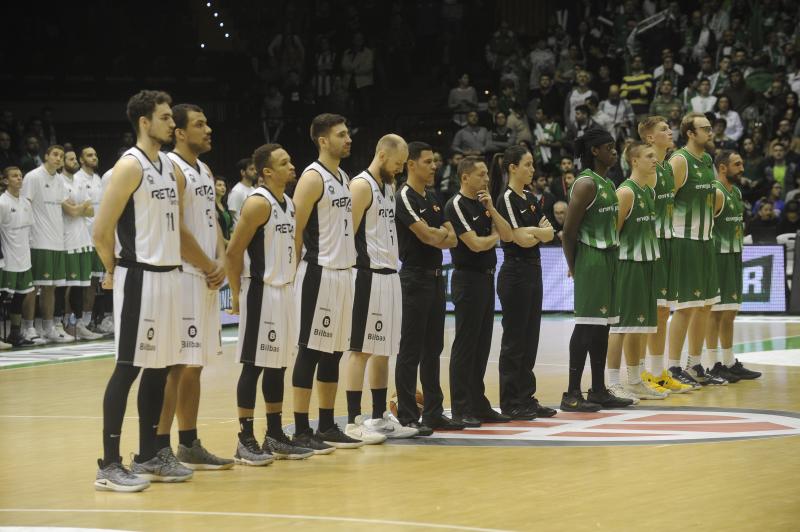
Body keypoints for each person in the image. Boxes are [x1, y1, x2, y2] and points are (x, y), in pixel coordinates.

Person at [93, 90, 192, 492]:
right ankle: (109, 464)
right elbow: (101, 230)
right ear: (144, 122)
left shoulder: (169, 166)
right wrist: (113, 269)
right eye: (166, 117)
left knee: (161, 367)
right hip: (140, 276)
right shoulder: (129, 166)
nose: (173, 123)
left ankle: (150, 454)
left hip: (169, 276)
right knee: (128, 368)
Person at [227, 143, 317, 464]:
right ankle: (245, 438)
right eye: (284, 163)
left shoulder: (289, 204)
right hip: (260, 292)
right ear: (267, 172)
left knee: (278, 364)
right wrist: (236, 296)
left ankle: (275, 434)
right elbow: (233, 252)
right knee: (253, 365)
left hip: (284, 292)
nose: (292, 167)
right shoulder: (256, 204)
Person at [156, 103, 232, 471]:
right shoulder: (173, 168)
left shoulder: (204, 168)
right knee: (178, 365)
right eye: (200, 124)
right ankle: (158, 447)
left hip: (205, 276)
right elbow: (177, 227)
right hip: (184, 274)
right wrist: (206, 264)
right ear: (181, 133)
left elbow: (212, 222)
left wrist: (223, 261)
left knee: (196, 364)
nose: (209, 129)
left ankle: (188, 442)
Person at [290, 113, 363, 450]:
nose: (348, 139)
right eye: (341, 134)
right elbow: (296, 228)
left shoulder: (343, 176)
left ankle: (328, 424)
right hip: (319, 272)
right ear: (323, 140)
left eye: (348, 134)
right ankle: (302, 429)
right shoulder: (311, 177)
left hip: (344, 273)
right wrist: (291, 270)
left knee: (334, 352)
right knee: (310, 351)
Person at [344, 134, 418, 443]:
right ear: (382, 154)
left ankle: (378, 418)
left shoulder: (389, 187)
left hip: (390, 275)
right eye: (398, 164)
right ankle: (351, 422)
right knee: (361, 349)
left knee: (385, 350)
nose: (400, 170)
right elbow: (347, 234)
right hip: (367, 275)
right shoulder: (361, 186)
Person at [560, 127, 634, 411]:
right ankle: (571, 393)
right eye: (609, 147)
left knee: (603, 326)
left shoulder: (607, 183)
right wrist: (575, 266)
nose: (614, 151)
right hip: (590, 258)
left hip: (609, 258)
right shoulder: (585, 184)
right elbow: (568, 232)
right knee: (586, 326)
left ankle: (599, 389)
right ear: (594, 151)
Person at [394, 142, 463, 433]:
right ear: (411, 164)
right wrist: (439, 234)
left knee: (433, 348)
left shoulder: (433, 197)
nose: (434, 166)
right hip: (414, 277)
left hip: (435, 279)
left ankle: (433, 411)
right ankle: (408, 415)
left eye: (434, 161)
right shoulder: (405, 197)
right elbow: (426, 236)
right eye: (427, 161)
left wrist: (439, 235)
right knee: (411, 349)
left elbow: (453, 239)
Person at [445, 156, 514, 426]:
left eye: (486, 174)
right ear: (465, 177)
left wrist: (492, 211)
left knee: (482, 345)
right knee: (465, 345)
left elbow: (506, 235)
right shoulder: (457, 205)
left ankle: (478, 402)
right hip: (467, 279)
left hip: (486, 279)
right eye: (481, 174)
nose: (486, 179)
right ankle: (461, 406)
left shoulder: (484, 204)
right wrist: (494, 237)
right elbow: (475, 244)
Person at [495, 145, 557, 419]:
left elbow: (550, 233)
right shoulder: (507, 198)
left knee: (530, 338)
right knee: (515, 340)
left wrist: (532, 231)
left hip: (534, 270)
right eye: (528, 164)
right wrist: (535, 232)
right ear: (512, 168)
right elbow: (518, 239)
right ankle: (511, 402)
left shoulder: (531, 197)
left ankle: (526, 397)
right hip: (516, 272)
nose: (533, 169)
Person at [666, 112, 727, 386]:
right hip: (684, 240)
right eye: (704, 128)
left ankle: (695, 365)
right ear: (690, 133)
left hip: (706, 240)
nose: (710, 132)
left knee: (704, 306)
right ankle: (673, 366)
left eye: (710, 128)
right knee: (685, 307)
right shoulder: (679, 160)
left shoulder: (707, 160)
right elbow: (666, 200)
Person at [605, 142, 666, 403]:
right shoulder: (625, 193)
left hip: (647, 263)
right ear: (634, 161)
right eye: (649, 156)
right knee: (620, 326)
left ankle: (634, 380)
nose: (655, 160)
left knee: (639, 325)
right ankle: (612, 383)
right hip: (627, 264)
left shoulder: (648, 192)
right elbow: (612, 233)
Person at [637, 116, 693, 394]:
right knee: (647, 312)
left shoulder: (669, 169)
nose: (670, 132)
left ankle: (658, 372)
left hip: (668, 242)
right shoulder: (645, 169)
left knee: (662, 311)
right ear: (649, 138)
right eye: (663, 130)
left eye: (670, 128)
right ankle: (639, 374)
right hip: (648, 244)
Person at [706, 150, 762, 382]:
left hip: (734, 255)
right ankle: (711, 364)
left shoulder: (736, 192)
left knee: (730, 312)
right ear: (722, 167)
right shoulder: (715, 192)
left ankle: (729, 361)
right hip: (717, 257)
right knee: (715, 313)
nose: (742, 168)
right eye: (737, 164)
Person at [21, 144, 76, 343]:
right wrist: (26, 236)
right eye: (55, 154)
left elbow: (65, 207)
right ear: (46, 156)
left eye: (61, 156)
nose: (58, 158)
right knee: (33, 287)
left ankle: (48, 327)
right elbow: (24, 205)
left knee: (51, 287)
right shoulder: (33, 177)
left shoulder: (60, 180)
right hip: (38, 240)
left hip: (57, 241)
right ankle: (28, 328)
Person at [60, 149, 102, 340]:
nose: (94, 158)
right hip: (70, 238)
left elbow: (90, 210)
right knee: (73, 283)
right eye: (70, 158)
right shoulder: (64, 180)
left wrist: (79, 209)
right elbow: (74, 212)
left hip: (90, 238)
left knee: (88, 282)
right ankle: (70, 323)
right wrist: (79, 209)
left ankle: (83, 323)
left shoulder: (92, 180)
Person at [75, 146, 112, 335]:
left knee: (96, 280)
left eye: (95, 154)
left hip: (98, 238)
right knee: (81, 282)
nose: (94, 157)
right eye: (89, 155)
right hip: (81, 238)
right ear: (81, 160)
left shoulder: (99, 180)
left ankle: (89, 321)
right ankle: (74, 321)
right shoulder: (76, 179)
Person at [0, 166, 37, 346]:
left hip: (24, 258)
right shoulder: (2, 202)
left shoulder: (25, 202)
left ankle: (15, 333)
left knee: (20, 296)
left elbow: (30, 230)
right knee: (4, 297)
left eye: (21, 176)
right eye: (14, 176)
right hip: (8, 259)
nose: (19, 178)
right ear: (5, 181)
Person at [227, 158, 257, 224]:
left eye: (255, 169)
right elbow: (230, 215)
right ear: (243, 172)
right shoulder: (237, 191)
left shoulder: (255, 190)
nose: (255, 172)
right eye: (251, 169)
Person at [214, 178, 233, 245]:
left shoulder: (225, 205)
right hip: (218, 245)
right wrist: (229, 244)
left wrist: (232, 242)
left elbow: (230, 227)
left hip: (228, 243)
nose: (223, 187)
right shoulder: (211, 206)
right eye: (219, 185)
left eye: (224, 185)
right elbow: (214, 231)